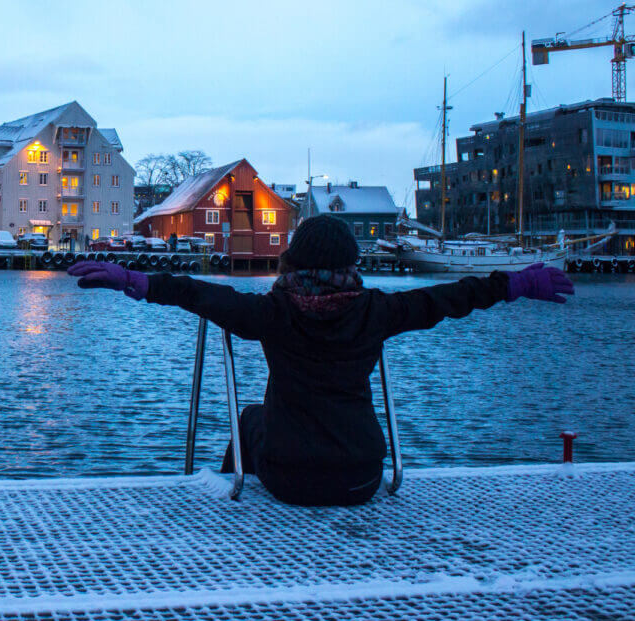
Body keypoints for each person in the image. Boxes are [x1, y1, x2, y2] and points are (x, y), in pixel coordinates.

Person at [67, 214, 574, 507]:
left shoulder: (274, 313)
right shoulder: (377, 311)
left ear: (293, 260)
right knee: (262, 420)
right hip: (362, 478)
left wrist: (138, 281)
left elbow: (201, 295)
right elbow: (449, 298)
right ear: (351, 263)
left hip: (289, 480)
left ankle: (233, 498)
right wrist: (514, 283)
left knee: (249, 419)